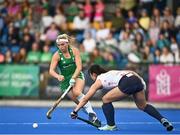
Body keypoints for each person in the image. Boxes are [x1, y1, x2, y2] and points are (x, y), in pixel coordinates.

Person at [70, 64, 174, 131]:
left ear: (93, 74)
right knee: (143, 106)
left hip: (127, 82)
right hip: (137, 80)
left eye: (91, 76)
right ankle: (163, 119)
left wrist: (75, 111)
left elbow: (85, 98)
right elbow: (132, 73)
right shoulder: (112, 72)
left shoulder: (99, 79)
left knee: (105, 99)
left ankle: (111, 125)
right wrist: (142, 84)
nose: (92, 79)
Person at [49, 34, 101, 126]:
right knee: (78, 102)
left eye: (63, 44)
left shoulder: (75, 51)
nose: (61, 47)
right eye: (59, 45)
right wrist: (58, 76)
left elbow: (79, 67)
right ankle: (92, 115)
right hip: (65, 80)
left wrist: (73, 78)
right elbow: (51, 71)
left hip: (77, 75)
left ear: (67, 43)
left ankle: (92, 116)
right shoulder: (56, 55)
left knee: (77, 92)